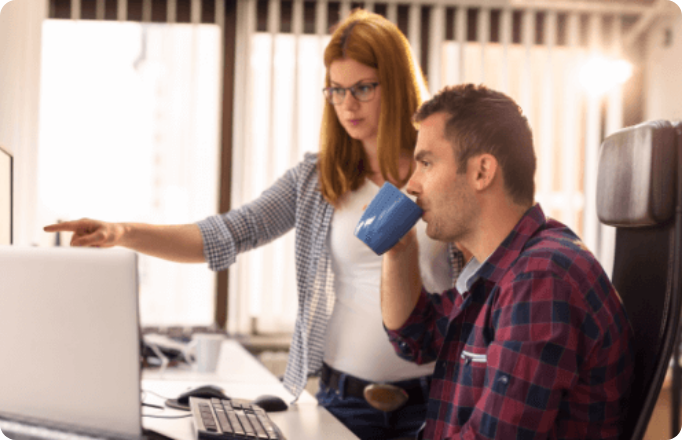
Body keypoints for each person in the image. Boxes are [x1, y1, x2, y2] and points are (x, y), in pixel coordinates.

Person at [44, 10, 464, 440]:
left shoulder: (442, 172)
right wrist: (123, 233)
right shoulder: (317, 179)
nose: (347, 105)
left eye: (362, 88)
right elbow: (226, 234)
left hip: (437, 398)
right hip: (344, 399)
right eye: (336, 90)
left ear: (395, 83)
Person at [380, 84, 634, 440]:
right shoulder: (502, 273)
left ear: (482, 172)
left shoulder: (541, 279)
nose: (412, 184)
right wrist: (398, 252)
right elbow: (416, 336)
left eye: (426, 163)